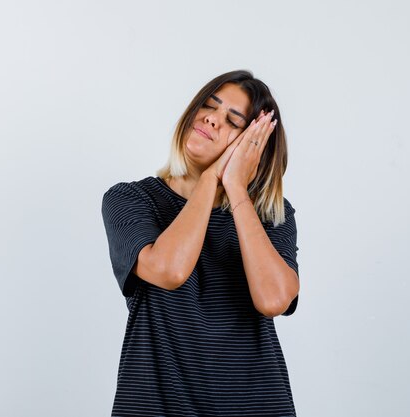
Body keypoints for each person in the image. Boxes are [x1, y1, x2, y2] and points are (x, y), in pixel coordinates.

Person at [101, 69, 301, 417]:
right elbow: (170, 269)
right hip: (156, 405)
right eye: (209, 105)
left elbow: (273, 300)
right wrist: (211, 179)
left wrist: (236, 188)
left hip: (256, 404)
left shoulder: (270, 215)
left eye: (232, 120)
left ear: (252, 145)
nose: (212, 118)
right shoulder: (130, 199)